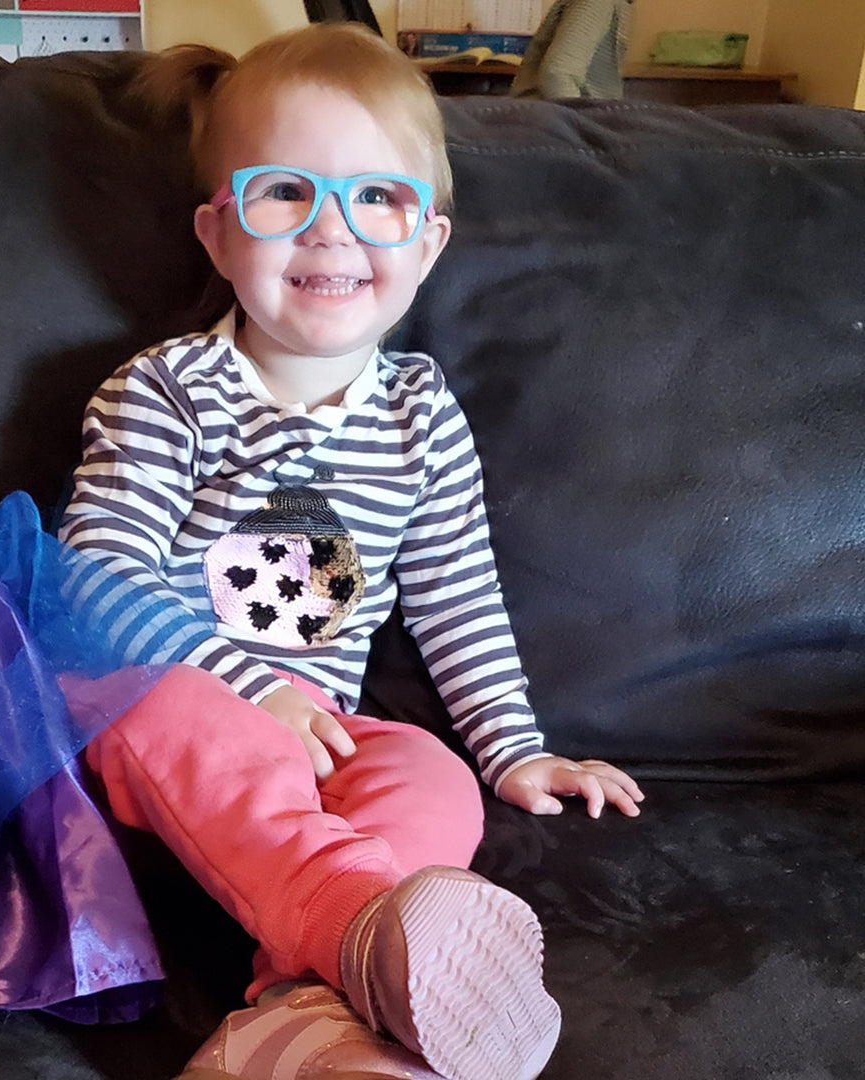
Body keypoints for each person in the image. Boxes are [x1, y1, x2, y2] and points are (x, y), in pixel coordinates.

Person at [59, 22, 644, 1080]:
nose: (331, 230)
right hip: (168, 714)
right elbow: (94, 574)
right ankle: (358, 935)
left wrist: (514, 750)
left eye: (376, 196)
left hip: (324, 739)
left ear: (428, 243)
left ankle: (306, 1020)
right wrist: (249, 689)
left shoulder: (421, 417)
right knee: (169, 711)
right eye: (284, 192)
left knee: (428, 772)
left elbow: (457, 600)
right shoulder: (167, 391)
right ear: (217, 234)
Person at [510, 0, 634, 100]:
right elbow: (556, 75)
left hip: (550, 115)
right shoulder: (596, 3)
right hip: (552, 118)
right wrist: (578, 122)